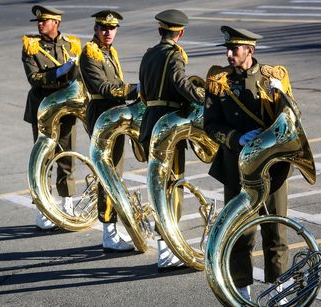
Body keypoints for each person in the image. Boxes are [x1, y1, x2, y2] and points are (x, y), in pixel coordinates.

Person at [204, 26, 294, 301]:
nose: (229, 54)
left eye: (235, 49)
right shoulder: (218, 82)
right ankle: (242, 288)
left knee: (276, 230)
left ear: (250, 51)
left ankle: (279, 288)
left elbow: (293, 119)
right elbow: (210, 125)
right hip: (237, 170)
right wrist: (236, 137)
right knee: (241, 233)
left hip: (272, 167)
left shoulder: (274, 76)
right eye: (228, 49)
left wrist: (283, 96)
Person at [138, 9, 205, 271]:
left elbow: (143, 90)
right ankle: (169, 250)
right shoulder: (173, 54)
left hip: (150, 122)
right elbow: (180, 83)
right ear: (181, 33)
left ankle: (164, 249)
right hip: (169, 125)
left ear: (160, 30)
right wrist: (204, 97)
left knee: (158, 186)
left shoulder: (148, 54)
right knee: (172, 187)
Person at [79, 10, 138, 253]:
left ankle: (111, 227)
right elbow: (102, 87)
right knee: (107, 174)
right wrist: (132, 90)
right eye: (103, 28)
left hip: (112, 115)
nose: (108, 32)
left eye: (112, 28)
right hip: (102, 116)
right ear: (95, 29)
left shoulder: (108, 52)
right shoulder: (90, 53)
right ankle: (108, 231)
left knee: (115, 172)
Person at [22, 5, 81, 230]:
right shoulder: (31, 46)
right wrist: (58, 72)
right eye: (38, 21)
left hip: (66, 108)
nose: (39, 24)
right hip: (43, 110)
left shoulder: (71, 44)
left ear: (56, 23)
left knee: (66, 157)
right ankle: (44, 208)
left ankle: (67, 203)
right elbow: (34, 78)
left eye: (44, 21)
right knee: (43, 158)